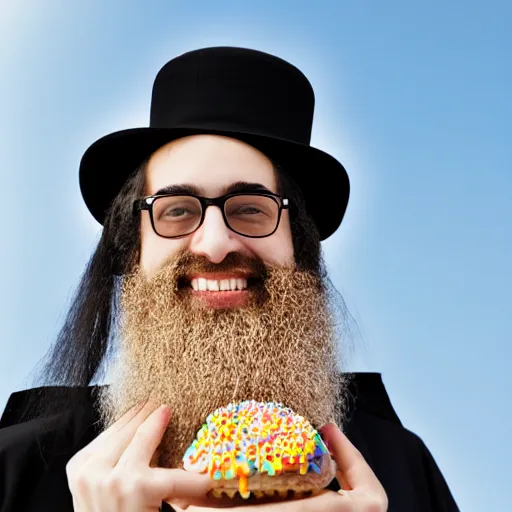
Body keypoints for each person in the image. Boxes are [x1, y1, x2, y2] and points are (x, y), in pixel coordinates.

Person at [0, 47, 459, 511]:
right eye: (176, 211)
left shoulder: (403, 468)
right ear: (134, 250)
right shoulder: (14, 470)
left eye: (251, 209)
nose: (215, 244)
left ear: (298, 249)